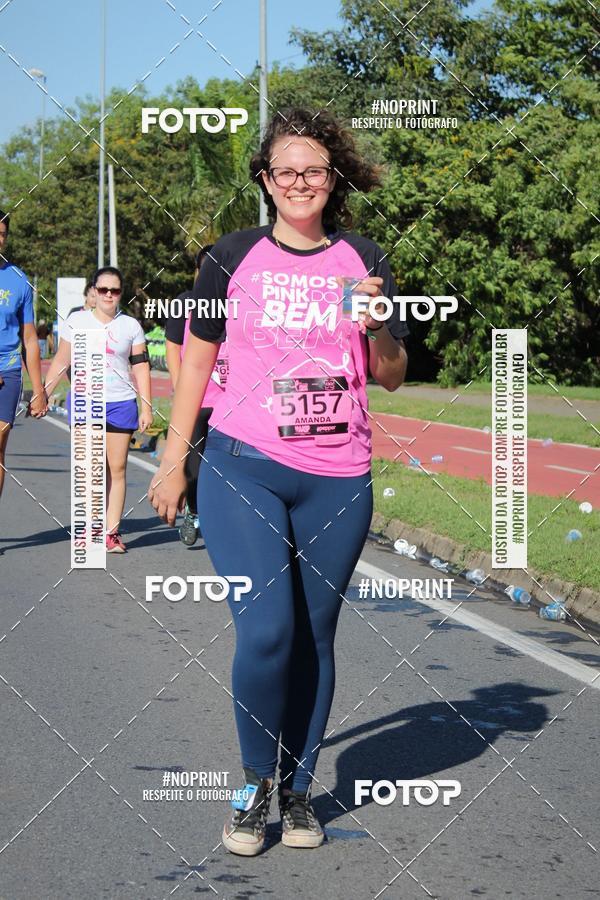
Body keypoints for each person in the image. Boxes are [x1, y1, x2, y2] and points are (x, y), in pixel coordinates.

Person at [148, 108, 408, 855]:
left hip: (338, 476)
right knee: (267, 630)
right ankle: (253, 781)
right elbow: (195, 365)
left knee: (313, 639)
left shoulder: (364, 257)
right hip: (242, 466)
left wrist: (378, 327)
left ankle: (298, 791)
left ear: (333, 181)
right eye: (285, 170)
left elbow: (391, 378)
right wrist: (173, 463)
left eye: (314, 171)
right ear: (266, 179)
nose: (300, 182)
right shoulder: (227, 257)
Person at [45, 266, 152, 552]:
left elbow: (141, 368)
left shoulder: (130, 326)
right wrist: (44, 394)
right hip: (85, 401)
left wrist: (146, 407)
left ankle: (111, 532)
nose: (108, 295)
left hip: (120, 404)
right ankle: (90, 529)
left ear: (120, 294)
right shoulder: (77, 321)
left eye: (114, 290)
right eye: (102, 289)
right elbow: (60, 362)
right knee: (90, 469)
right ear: (93, 290)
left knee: (116, 469)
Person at [165, 244, 230, 546]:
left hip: (231, 400)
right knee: (193, 466)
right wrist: (181, 391)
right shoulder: (185, 303)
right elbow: (172, 347)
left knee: (228, 463)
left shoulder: (238, 303)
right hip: (198, 400)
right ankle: (193, 511)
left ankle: (225, 519)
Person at [0, 209, 47, 502]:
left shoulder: (18, 279)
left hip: (8, 370)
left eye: (2, 234)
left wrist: (39, 390)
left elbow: (30, 339)